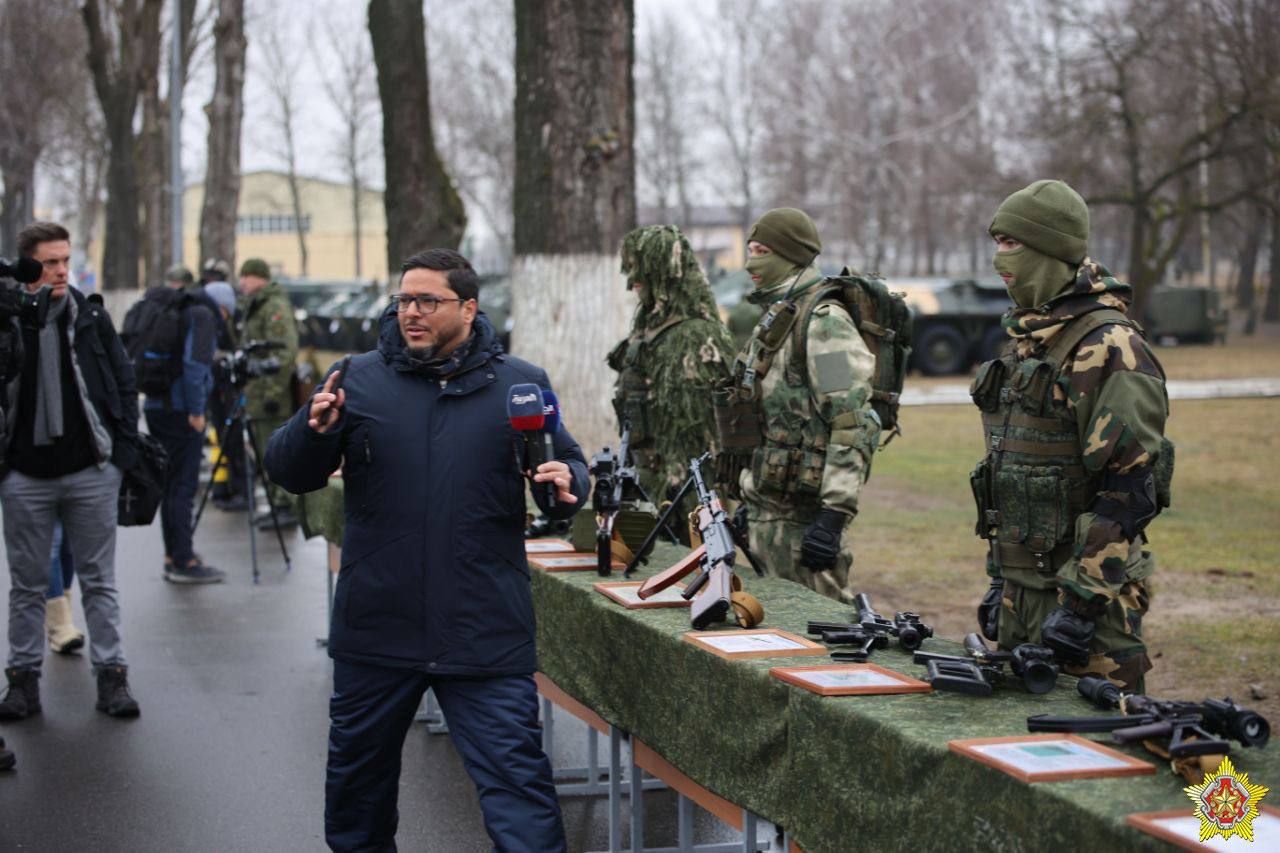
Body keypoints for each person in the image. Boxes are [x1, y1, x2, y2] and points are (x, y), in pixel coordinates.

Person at [266, 247, 586, 852]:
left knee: (520, 793)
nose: (410, 312)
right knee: (357, 796)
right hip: (378, 628)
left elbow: (563, 466)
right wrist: (313, 431)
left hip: (483, 629)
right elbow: (289, 472)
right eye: (404, 300)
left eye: (427, 301)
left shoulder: (520, 384)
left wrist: (569, 482)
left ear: (468, 308)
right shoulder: (354, 380)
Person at [972, 179, 1170, 692]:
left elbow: (1130, 491)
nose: (998, 258)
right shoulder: (1028, 341)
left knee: (1095, 739)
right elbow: (1011, 478)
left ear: (1050, 249)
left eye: (1011, 243)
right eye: (996, 242)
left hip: (1087, 611)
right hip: (1022, 596)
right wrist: (1000, 579)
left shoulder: (1111, 346)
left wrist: (1081, 604)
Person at [0, 221, 140, 720]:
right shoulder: (9, 320)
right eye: (49, 263)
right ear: (27, 268)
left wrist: (121, 456)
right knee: (27, 586)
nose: (61, 271)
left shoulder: (90, 317)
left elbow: (124, 382)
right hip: (23, 475)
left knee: (99, 581)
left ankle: (112, 678)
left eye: (65, 260)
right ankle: (22, 683)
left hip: (91, 471)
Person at [715, 208, 880, 603]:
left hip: (803, 528)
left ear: (791, 255)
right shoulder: (777, 317)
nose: (751, 263)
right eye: (750, 251)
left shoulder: (824, 324)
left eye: (762, 252)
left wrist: (833, 516)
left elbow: (851, 421)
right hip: (767, 518)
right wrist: (750, 496)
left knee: (813, 629)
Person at [609, 224, 734, 527]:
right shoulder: (648, 330)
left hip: (685, 499)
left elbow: (700, 437)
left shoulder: (695, 337)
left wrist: (690, 502)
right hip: (644, 486)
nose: (632, 280)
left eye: (639, 268)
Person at [140, 265, 224, 583]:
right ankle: (183, 560)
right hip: (181, 410)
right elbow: (194, 365)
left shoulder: (169, 311)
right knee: (182, 487)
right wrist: (197, 411)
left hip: (156, 405)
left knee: (169, 484)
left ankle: (172, 553)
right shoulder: (201, 315)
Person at [237, 258, 299, 529]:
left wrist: (273, 392)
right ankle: (276, 504)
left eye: (246, 276)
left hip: (271, 394)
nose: (242, 282)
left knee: (275, 451)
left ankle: (285, 504)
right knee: (263, 452)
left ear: (259, 277)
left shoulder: (273, 306)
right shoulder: (256, 305)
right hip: (257, 392)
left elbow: (284, 352)